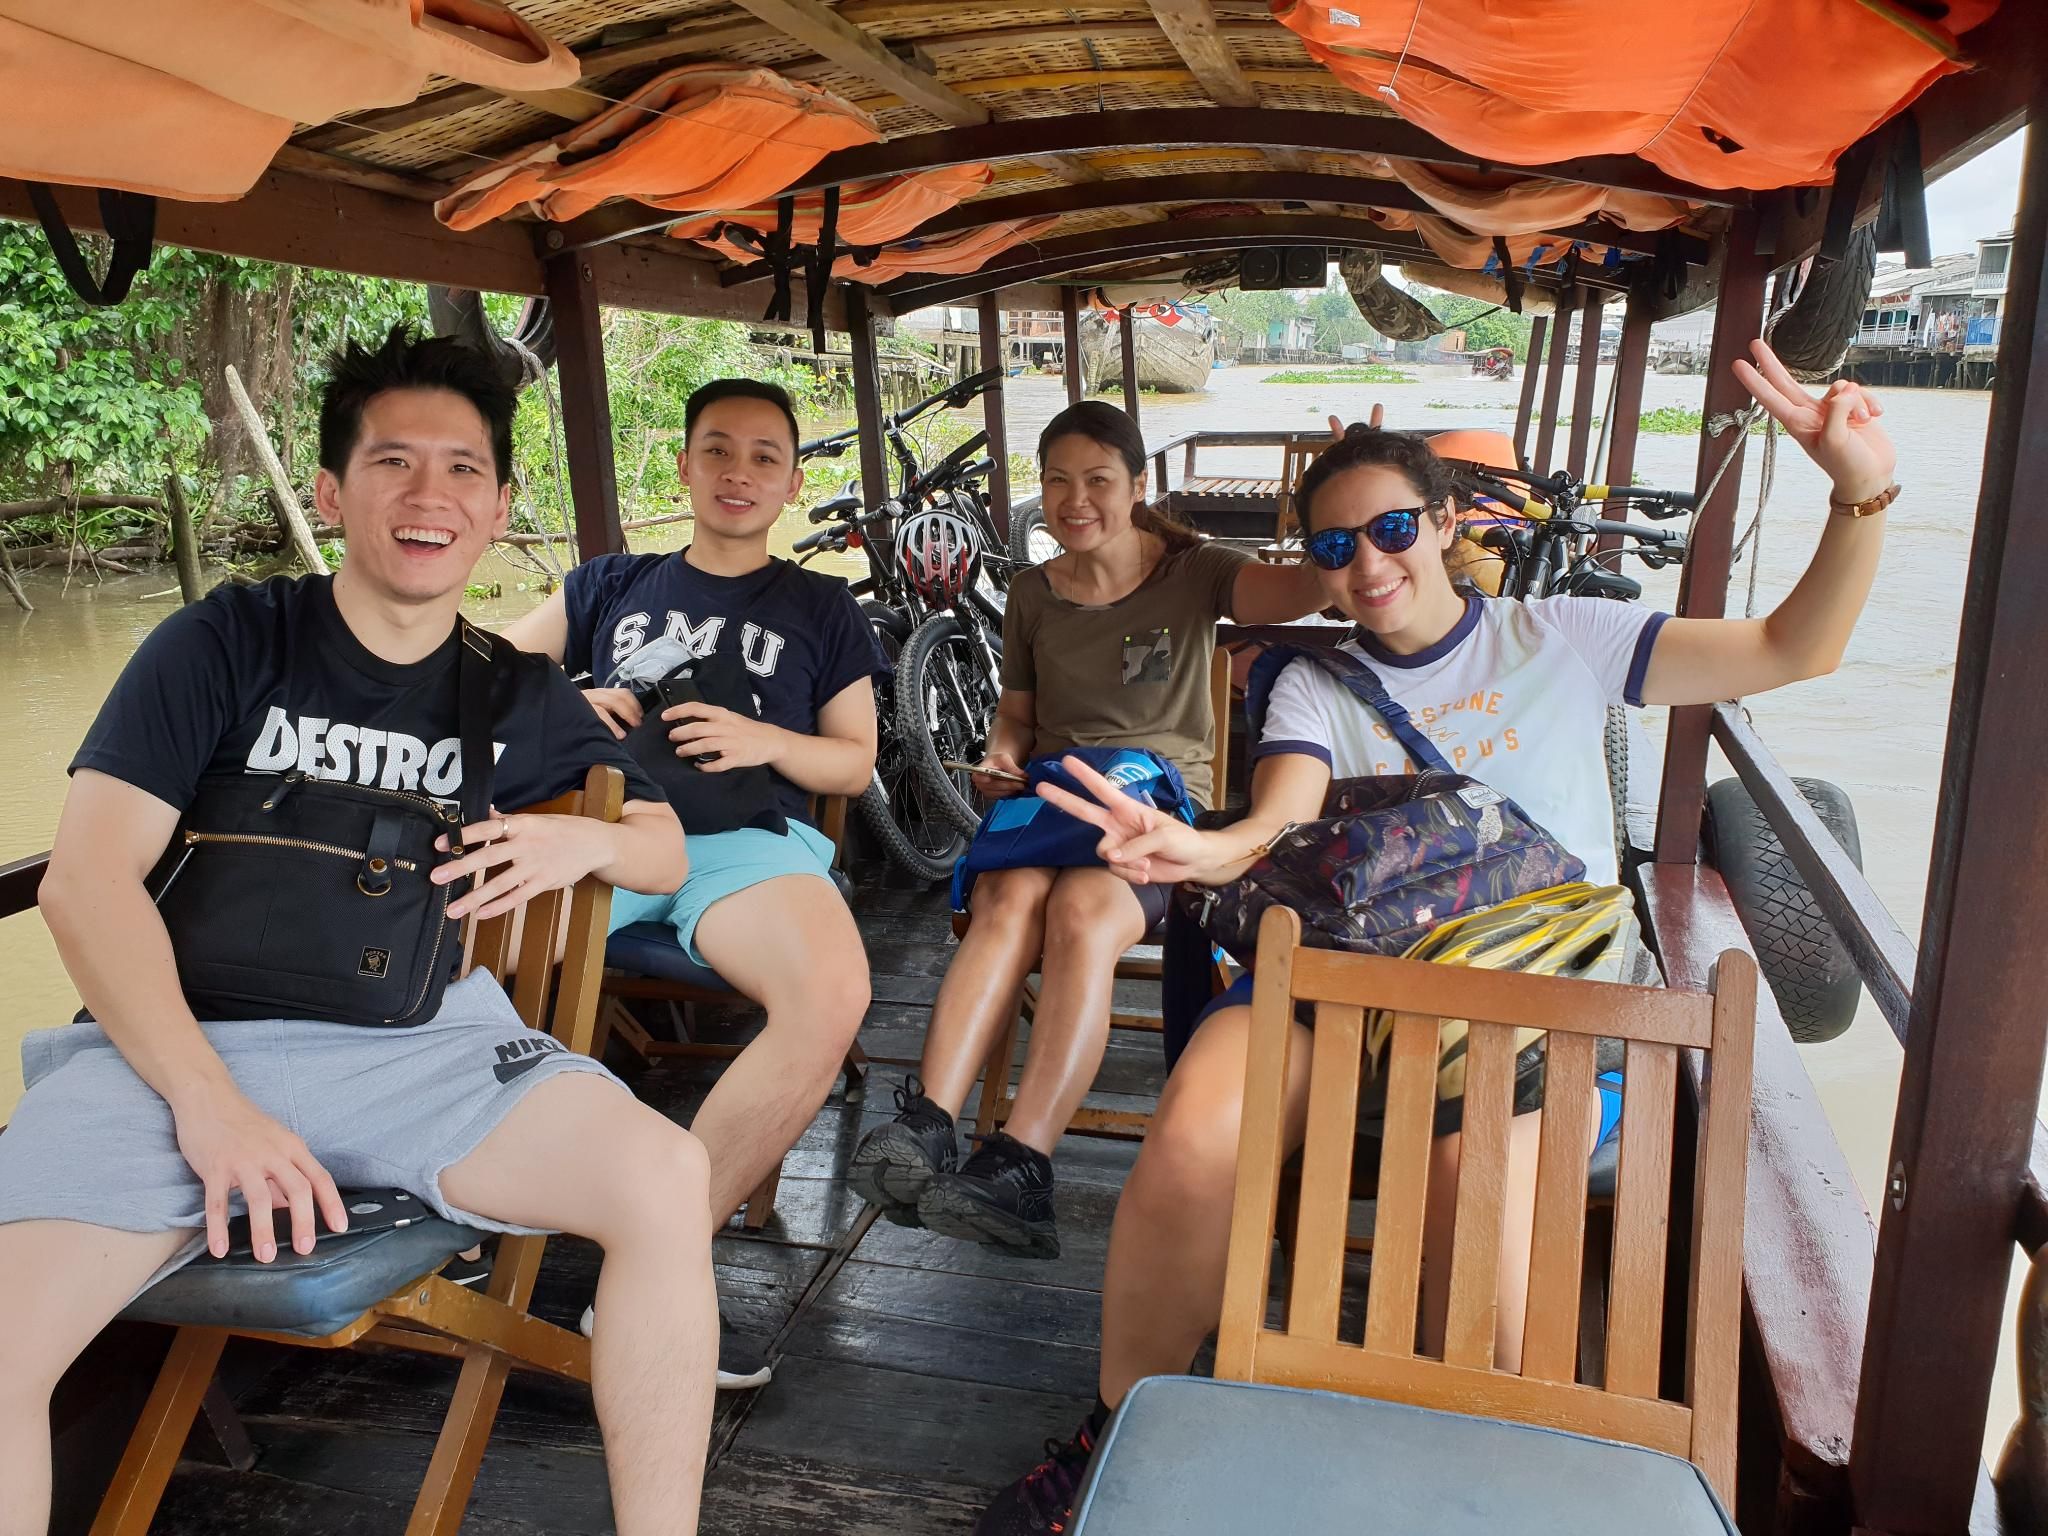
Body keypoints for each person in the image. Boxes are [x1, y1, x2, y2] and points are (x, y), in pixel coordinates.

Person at [971, 339, 1898, 1534]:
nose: (1366, 565)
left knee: (1470, 1182)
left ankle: (1467, 1467)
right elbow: (1277, 818)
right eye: (1332, 546)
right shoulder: (1313, 687)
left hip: (1532, 996)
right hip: (1354, 978)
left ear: (1446, 520)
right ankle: (1117, 1424)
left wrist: (1856, 490)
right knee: (1196, 1123)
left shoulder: (1562, 635)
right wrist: (1199, 849)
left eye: (1391, 530)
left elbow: (1791, 650)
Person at [0, 327, 718, 1536]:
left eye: (461, 469)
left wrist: (580, 842)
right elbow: (84, 884)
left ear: (497, 509)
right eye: (392, 463)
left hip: (420, 1048)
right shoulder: (225, 641)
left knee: (666, 1175)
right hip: (173, 1052)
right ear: (333, 491)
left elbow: (664, 844)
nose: (427, 495)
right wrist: (208, 1105)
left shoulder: (514, 690)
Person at [848, 400, 1327, 1259]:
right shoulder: (1033, 592)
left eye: (1099, 480)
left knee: (1078, 915)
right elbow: (1019, 717)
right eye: (1058, 482)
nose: (1077, 500)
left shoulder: (1197, 571)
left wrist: (1333, 519)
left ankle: (1022, 1164)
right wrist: (999, 755)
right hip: (1053, 800)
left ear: (1138, 486)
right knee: (1007, 896)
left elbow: (1297, 592)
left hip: (1155, 816)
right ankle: (924, 1127)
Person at [503, 378, 886, 1377]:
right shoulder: (606, 585)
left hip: (742, 842)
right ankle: (459, 1210)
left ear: (792, 483)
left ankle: (659, 1260)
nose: (738, 473)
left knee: (832, 992)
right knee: (454, 949)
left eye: (764, 456)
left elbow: (853, 761)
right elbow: (483, 676)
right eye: (717, 450)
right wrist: (572, 699)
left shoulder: (819, 604)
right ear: (681, 465)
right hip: (602, 831)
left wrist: (764, 736)